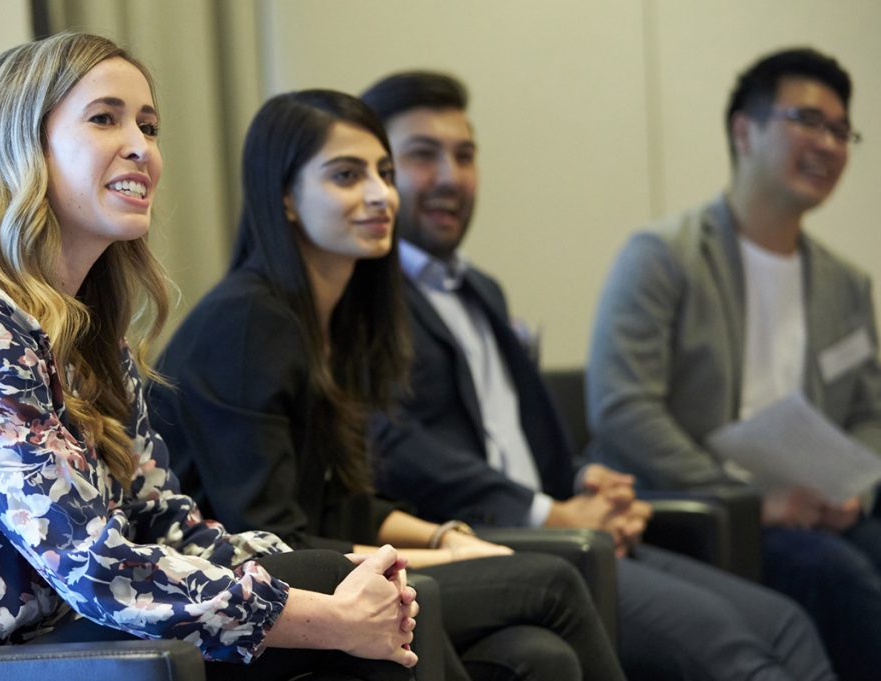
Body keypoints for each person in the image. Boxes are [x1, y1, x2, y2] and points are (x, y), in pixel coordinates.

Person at [0, 32, 421, 681]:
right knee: (336, 617)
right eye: (105, 118)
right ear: (23, 144)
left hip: (61, 632)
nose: (141, 148)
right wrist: (332, 616)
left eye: (148, 126)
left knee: (410, 607)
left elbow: (165, 525)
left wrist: (356, 569)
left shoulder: (91, 331)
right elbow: (92, 564)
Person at [362, 70, 837, 681]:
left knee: (787, 624)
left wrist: (589, 483)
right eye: (424, 156)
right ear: (384, 174)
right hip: (488, 544)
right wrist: (546, 514)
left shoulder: (480, 289)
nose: (451, 177)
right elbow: (396, 448)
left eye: (465, 154)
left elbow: (520, 438)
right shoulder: (369, 302)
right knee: (732, 651)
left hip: (562, 528)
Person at [149, 88, 626, 681]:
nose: (381, 194)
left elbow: (341, 499)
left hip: (315, 566)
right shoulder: (247, 322)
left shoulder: (339, 318)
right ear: (286, 198)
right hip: (243, 604)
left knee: (538, 654)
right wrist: (442, 552)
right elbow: (273, 533)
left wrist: (448, 536)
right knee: (552, 578)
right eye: (347, 175)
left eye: (385, 172)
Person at [586, 47, 881, 680]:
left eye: (841, 130)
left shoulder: (846, 284)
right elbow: (623, 408)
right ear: (743, 130)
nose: (829, 144)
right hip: (699, 513)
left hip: (816, 512)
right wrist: (752, 499)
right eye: (808, 120)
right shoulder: (663, 256)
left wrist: (854, 491)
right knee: (838, 577)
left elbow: (869, 415)